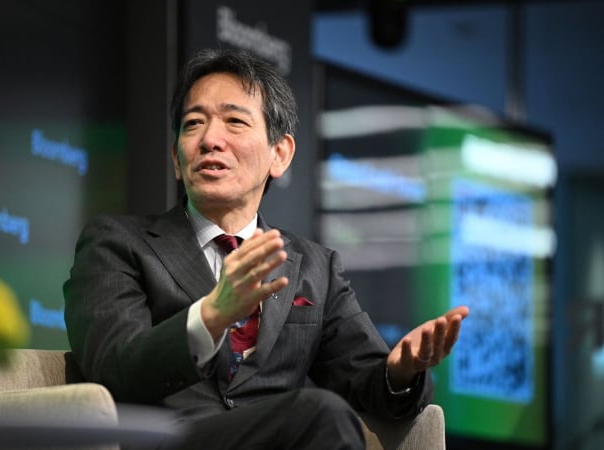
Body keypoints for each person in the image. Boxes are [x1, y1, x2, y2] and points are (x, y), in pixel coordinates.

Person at [63, 48, 469, 449]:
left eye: (235, 122)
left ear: (280, 154)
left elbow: (367, 380)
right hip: (168, 441)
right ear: (176, 158)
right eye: (193, 124)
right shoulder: (117, 243)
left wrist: (400, 372)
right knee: (321, 413)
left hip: (280, 440)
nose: (210, 140)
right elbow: (113, 368)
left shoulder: (315, 269)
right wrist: (209, 318)